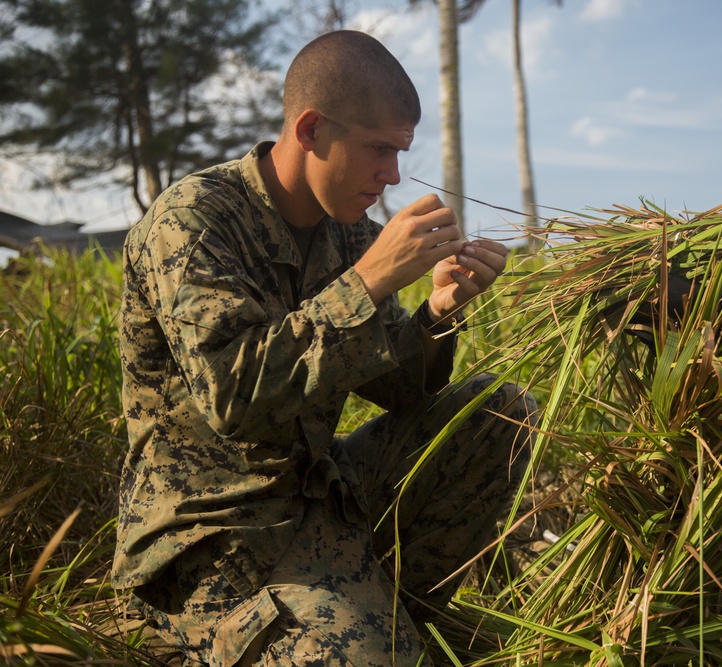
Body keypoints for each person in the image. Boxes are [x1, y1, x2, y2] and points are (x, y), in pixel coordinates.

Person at [112, 30, 536, 666]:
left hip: (319, 499)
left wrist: (436, 313)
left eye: (400, 153)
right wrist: (369, 282)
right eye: (378, 150)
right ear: (310, 131)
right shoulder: (194, 221)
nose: (391, 176)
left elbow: (399, 392)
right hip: (212, 536)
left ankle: (382, 603)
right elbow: (235, 401)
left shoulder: (348, 234)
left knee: (500, 412)